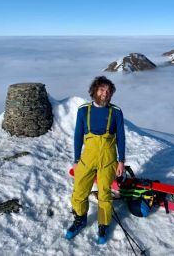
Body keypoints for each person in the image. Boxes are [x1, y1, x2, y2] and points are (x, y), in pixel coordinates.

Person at [66, 76, 125, 244]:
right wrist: (76, 160)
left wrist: (121, 161)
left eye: (108, 91)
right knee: (79, 190)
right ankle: (80, 219)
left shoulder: (116, 112)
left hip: (108, 157)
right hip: (87, 157)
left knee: (104, 193)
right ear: (94, 90)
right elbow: (78, 135)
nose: (105, 93)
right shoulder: (84, 110)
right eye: (102, 89)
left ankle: (103, 224)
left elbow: (121, 136)